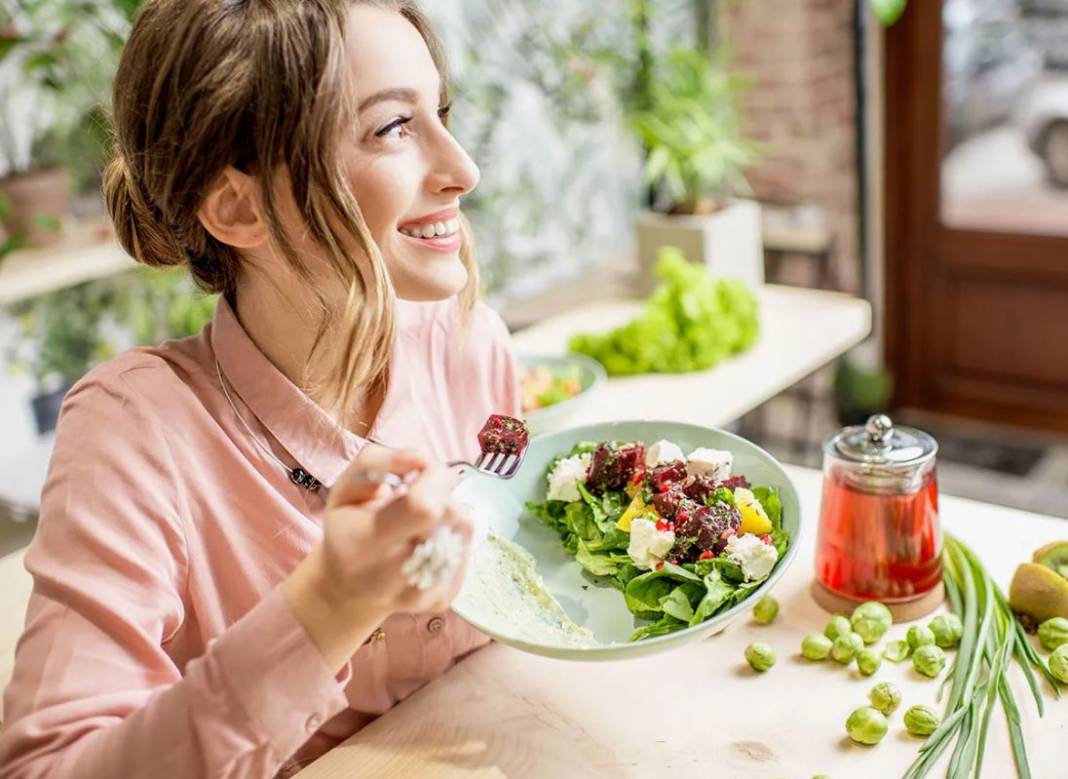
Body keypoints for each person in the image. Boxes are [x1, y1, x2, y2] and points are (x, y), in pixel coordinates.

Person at [0, 2, 519, 777]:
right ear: (238, 205)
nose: (463, 168)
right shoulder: (135, 432)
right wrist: (329, 605)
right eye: (392, 129)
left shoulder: (469, 342)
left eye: (438, 112)